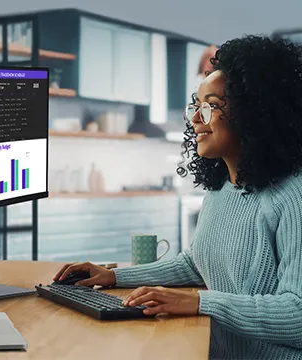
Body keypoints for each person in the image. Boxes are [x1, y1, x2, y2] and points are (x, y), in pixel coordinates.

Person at [53, 35, 302, 359]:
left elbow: (297, 314)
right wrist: (113, 276)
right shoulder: (222, 189)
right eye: (196, 106)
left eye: (212, 106)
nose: (196, 118)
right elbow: (195, 263)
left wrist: (199, 302)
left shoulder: (292, 197)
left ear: (255, 111)